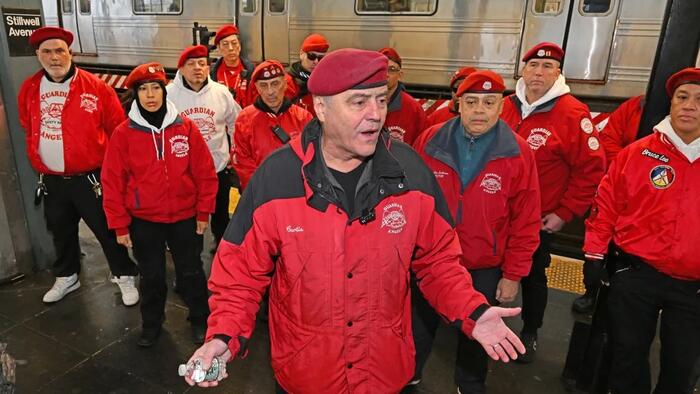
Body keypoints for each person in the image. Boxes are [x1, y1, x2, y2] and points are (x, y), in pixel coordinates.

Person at [184, 48, 525, 393]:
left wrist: (473, 310)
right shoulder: (278, 177)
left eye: (380, 99)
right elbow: (240, 273)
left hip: (384, 371)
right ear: (321, 108)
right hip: (307, 373)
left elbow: (438, 262)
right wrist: (224, 335)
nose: (376, 114)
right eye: (359, 102)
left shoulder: (411, 173)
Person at [411, 70, 541, 393]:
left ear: (501, 107)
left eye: (489, 102)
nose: (479, 110)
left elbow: (526, 220)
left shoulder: (519, 152)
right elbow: (409, 196)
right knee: (417, 327)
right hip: (429, 261)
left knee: (478, 330)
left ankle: (469, 385)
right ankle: (408, 377)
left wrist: (513, 275)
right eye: (471, 102)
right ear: (458, 105)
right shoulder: (430, 140)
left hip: (483, 264)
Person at [583, 67, 700, 394]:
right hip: (637, 275)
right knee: (627, 357)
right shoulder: (638, 153)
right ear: (672, 104)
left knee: (681, 366)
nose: (689, 105)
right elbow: (606, 204)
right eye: (682, 97)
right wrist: (594, 254)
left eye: (699, 100)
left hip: (693, 287)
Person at [17, 27, 139, 305]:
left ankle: (124, 274)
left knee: (107, 230)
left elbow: (117, 131)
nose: (54, 57)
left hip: (91, 178)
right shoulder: (30, 88)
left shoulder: (96, 88)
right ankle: (67, 276)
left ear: (70, 53)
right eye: (46, 52)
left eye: (59, 50)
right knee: (60, 230)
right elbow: (27, 123)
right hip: (52, 179)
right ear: (38, 55)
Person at [500, 42, 606, 362]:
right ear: (523, 70)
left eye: (547, 67)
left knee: (533, 275)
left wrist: (565, 212)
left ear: (559, 72)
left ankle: (530, 331)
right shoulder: (505, 106)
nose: (538, 73)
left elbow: (591, 170)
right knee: (486, 269)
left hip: (538, 217)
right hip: (496, 212)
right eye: (533, 66)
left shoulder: (573, 113)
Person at [100, 62, 218, 347]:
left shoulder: (185, 127)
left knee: (191, 271)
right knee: (152, 276)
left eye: (156, 88)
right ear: (136, 94)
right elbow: (112, 182)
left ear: (164, 92)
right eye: (143, 89)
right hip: (144, 220)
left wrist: (203, 212)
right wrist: (119, 225)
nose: (150, 95)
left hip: (184, 216)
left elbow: (205, 172)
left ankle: (201, 319)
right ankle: (152, 323)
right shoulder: (123, 134)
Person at [572, 94, 645, 313]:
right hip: (622, 185)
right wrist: (635, 165)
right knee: (599, 245)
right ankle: (591, 292)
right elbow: (609, 139)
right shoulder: (634, 106)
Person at [167, 45, 242, 248]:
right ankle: (192, 255)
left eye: (202, 63)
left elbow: (237, 122)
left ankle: (223, 249)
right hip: (185, 174)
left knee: (221, 215)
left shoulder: (221, 93)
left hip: (217, 169)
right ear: (181, 69)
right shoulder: (169, 95)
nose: (197, 68)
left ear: (208, 68)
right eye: (190, 64)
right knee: (189, 220)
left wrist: (233, 151)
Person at [231, 60, 312, 190]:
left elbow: (312, 157)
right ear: (256, 88)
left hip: (297, 191)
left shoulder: (303, 117)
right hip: (260, 192)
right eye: (263, 85)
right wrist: (262, 189)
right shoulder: (244, 119)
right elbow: (242, 161)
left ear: (285, 84)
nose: (270, 91)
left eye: (275, 84)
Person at [379, 47, 427, 145]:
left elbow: (421, 146)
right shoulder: (364, 103)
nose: (386, 74)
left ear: (400, 75)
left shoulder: (414, 109)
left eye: (391, 69)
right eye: (381, 69)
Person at [209, 25, 256, 108]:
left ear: (240, 46)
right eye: (225, 44)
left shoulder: (252, 71)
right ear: (219, 49)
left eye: (234, 43)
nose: (230, 48)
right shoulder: (211, 73)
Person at [288, 33, 330, 116]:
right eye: (311, 56)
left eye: (320, 58)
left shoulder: (327, 82)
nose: (316, 61)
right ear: (301, 54)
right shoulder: (288, 83)